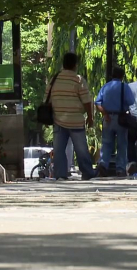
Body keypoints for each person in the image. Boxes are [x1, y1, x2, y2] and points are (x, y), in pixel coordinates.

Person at [44, 52, 96, 180]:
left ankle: (60, 174)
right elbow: (87, 101)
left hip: (58, 119)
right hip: (76, 120)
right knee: (81, 149)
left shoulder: (54, 79)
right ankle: (87, 172)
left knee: (59, 150)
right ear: (75, 65)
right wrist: (90, 117)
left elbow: (47, 100)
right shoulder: (78, 80)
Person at [95, 66, 135, 177]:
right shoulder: (124, 87)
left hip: (108, 118)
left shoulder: (105, 87)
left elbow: (98, 103)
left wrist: (105, 114)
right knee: (122, 144)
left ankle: (103, 165)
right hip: (121, 118)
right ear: (122, 76)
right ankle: (120, 169)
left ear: (112, 75)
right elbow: (131, 101)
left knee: (107, 143)